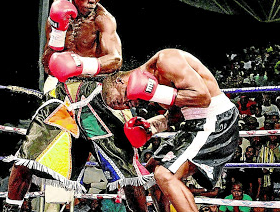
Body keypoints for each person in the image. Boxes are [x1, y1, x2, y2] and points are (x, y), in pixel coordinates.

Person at [4, 0, 148, 212]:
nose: (93, 0)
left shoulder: (103, 19)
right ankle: (10, 208)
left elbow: (115, 59)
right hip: (62, 99)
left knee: (125, 170)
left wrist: (81, 64)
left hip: (94, 95)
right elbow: (48, 63)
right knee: (26, 158)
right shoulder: (57, 18)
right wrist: (59, 32)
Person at [101, 48, 240, 212]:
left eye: (119, 101)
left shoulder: (166, 60)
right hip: (194, 124)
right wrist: (151, 127)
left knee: (164, 174)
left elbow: (203, 98)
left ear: (120, 82)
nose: (127, 106)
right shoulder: (151, 86)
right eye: (121, 106)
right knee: (153, 170)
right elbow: (174, 116)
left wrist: (155, 92)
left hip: (215, 120)